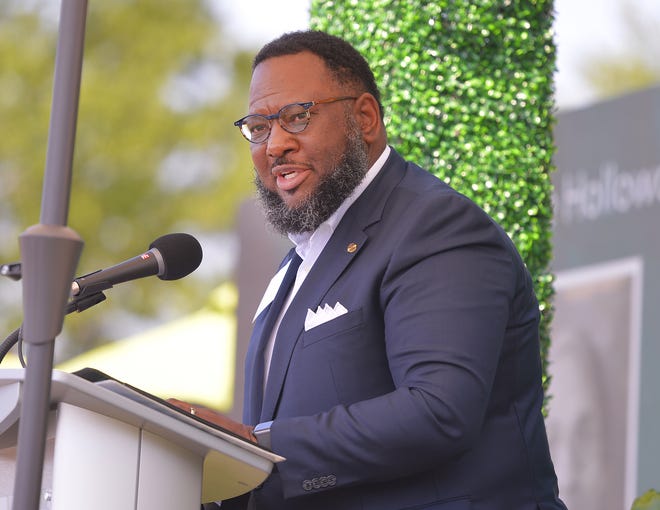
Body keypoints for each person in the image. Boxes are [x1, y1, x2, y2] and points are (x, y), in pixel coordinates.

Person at [170, 30, 567, 510]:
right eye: (258, 127)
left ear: (365, 118)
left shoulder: (434, 225)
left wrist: (258, 448)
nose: (274, 145)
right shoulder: (297, 263)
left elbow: (439, 411)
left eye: (296, 117)